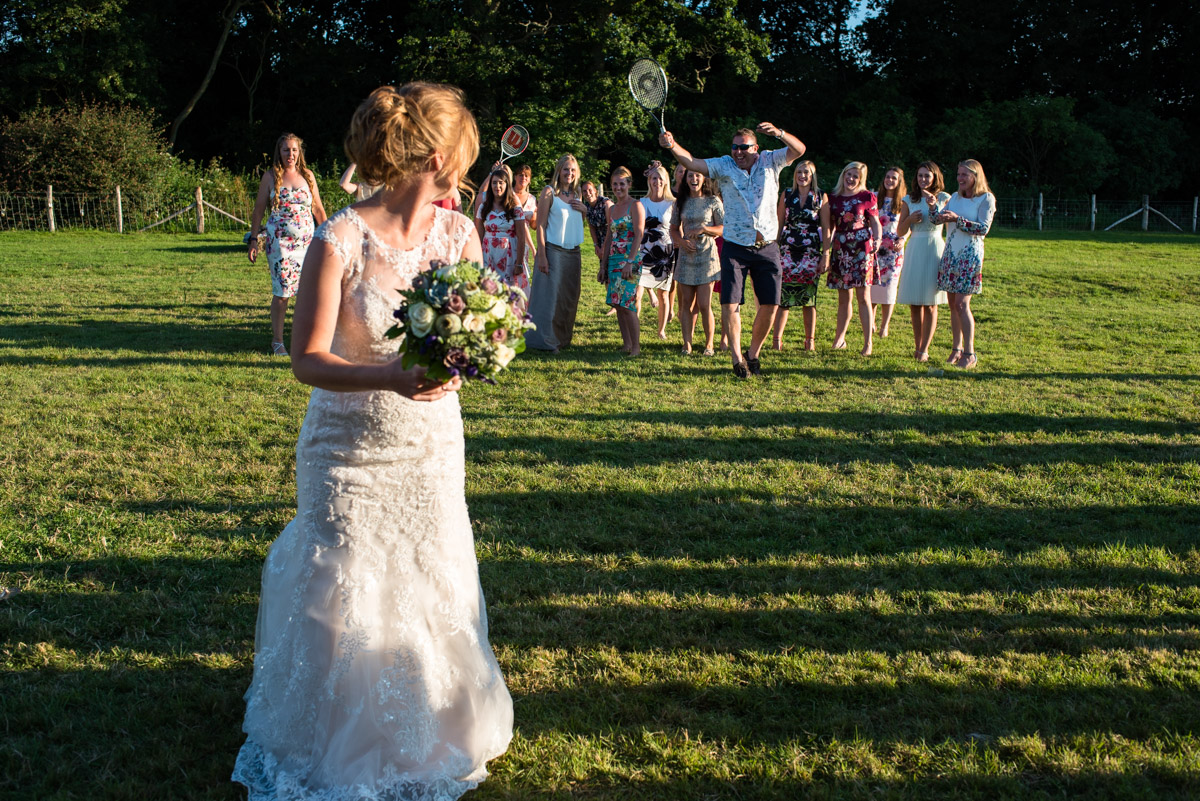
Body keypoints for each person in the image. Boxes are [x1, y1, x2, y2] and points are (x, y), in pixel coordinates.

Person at [232, 83, 513, 800]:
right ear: (439, 155)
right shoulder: (341, 237)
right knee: (345, 580)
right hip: (347, 449)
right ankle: (330, 739)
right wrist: (390, 374)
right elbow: (307, 358)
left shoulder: (459, 235)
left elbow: (466, 326)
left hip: (430, 444)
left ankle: (431, 723)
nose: (467, 168)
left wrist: (471, 351)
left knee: (430, 570)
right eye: (465, 154)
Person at [659, 123, 804, 378]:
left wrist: (780, 134)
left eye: (744, 147)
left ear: (755, 148)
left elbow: (799, 150)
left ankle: (753, 354)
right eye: (735, 147)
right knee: (730, 303)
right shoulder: (724, 165)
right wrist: (672, 145)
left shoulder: (771, 161)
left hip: (767, 246)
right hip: (736, 245)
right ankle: (737, 359)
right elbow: (692, 162)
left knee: (771, 304)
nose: (738, 152)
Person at [248, 132, 328, 356]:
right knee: (283, 292)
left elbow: (318, 209)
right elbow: (258, 210)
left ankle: (308, 341)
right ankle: (277, 341)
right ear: (279, 152)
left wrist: (330, 236)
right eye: (286, 150)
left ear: (299, 152)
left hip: (307, 243)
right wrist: (254, 239)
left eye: (294, 150)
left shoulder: (308, 176)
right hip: (280, 243)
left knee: (309, 292)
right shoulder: (271, 176)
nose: (290, 154)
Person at [937, 159, 995, 369]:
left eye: (964, 175)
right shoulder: (954, 197)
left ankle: (970, 353)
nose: (960, 179)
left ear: (975, 177)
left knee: (962, 304)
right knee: (953, 304)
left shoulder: (986, 199)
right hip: (951, 254)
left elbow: (983, 228)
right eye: (959, 174)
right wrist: (934, 208)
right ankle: (956, 349)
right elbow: (940, 219)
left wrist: (958, 219)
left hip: (969, 256)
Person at [526, 154, 587, 352]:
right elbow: (541, 225)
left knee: (568, 297)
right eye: (566, 169)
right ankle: (544, 341)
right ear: (559, 171)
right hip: (553, 250)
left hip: (574, 253)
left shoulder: (578, 194)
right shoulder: (549, 192)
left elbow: (579, 224)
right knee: (549, 297)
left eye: (573, 170)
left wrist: (584, 210)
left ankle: (562, 339)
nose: (569, 173)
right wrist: (541, 254)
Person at [820, 162, 882, 356]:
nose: (851, 179)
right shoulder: (833, 199)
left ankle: (867, 343)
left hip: (862, 247)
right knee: (843, 297)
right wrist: (826, 252)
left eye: (856, 176)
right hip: (841, 248)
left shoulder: (867, 197)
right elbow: (829, 228)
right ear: (843, 175)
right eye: (849, 174)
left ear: (860, 179)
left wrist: (878, 239)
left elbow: (875, 222)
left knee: (864, 297)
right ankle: (840, 339)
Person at [895, 162, 949, 362]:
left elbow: (945, 221)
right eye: (920, 176)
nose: (923, 179)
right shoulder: (909, 199)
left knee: (931, 302)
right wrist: (909, 220)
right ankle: (917, 346)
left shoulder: (944, 198)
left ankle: (925, 348)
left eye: (927, 176)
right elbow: (900, 231)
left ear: (935, 177)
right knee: (915, 303)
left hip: (934, 247)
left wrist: (934, 205)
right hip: (915, 248)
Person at [772, 160, 826, 351]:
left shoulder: (820, 197)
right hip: (787, 250)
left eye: (806, 173)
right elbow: (779, 223)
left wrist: (825, 254)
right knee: (783, 297)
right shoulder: (787, 194)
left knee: (809, 298)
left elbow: (826, 229)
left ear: (813, 176)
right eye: (799, 172)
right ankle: (776, 340)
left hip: (810, 252)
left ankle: (809, 340)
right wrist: (774, 248)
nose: (802, 176)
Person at [670, 169, 723, 355]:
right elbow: (673, 229)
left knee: (704, 304)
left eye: (698, 175)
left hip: (707, 256)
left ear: (704, 178)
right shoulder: (681, 201)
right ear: (685, 179)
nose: (694, 179)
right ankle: (687, 344)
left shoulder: (713, 200)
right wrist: (682, 242)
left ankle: (709, 344)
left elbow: (723, 228)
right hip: (686, 255)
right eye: (690, 176)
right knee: (686, 304)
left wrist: (704, 229)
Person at [599, 166, 646, 356]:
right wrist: (603, 264)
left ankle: (636, 346)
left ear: (629, 184)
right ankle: (626, 344)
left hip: (630, 260)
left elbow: (639, 234)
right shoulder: (612, 208)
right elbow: (610, 236)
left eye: (622, 183)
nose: (618, 187)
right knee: (617, 304)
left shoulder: (635, 205)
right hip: (613, 260)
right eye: (615, 184)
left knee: (628, 303)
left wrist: (630, 262)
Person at [475, 166, 529, 293]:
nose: (497, 186)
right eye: (494, 183)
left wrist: (519, 263)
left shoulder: (515, 208)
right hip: (488, 255)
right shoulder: (483, 207)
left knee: (507, 292)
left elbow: (521, 237)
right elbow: (478, 236)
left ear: (507, 185)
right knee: (488, 290)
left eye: (501, 183)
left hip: (509, 255)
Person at [638, 161, 676, 340]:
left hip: (665, 254)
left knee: (663, 294)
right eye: (654, 178)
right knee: (637, 291)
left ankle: (661, 330)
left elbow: (677, 229)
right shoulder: (642, 202)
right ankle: (634, 327)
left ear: (666, 181)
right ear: (649, 181)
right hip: (644, 250)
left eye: (660, 178)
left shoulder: (672, 203)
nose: (657, 182)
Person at [870, 166, 908, 338]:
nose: (890, 180)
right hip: (875, 247)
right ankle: (870, 321)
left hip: (893, 250)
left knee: (889, 287)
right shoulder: (875, 198)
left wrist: (903, 239)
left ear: (899, 181)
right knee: (872, 285)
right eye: (887, 177)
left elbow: (909, 226)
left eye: (894, 178)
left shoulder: (904, 202)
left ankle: (885, 325)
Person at [582, 180, 616, 316]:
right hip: (601, 242)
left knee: (613, 271)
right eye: (584, 191)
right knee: (605, 273)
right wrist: (596, 245)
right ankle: (613, 304)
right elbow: (591, 226)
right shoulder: (587, 207)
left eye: (590, 190)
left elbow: (611, 226)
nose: (587, 193)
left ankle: (620, 302)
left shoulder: (606, 203)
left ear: (595, 190)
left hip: (613, 241)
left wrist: (605, 246)